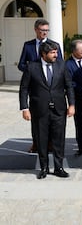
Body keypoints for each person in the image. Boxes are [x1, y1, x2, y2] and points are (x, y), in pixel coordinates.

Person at [19, 40, 75, 179]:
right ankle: (44, 168)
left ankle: (58, 167)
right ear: (43, 54)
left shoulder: (62, 65)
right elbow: (24, 88)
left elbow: (68, 86)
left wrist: (72, 105)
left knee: (59, 139)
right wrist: (25, 108)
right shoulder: (32, 67)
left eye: (56, 52)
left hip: (59, 109)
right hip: (39, 110)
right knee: (41, 140)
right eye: (53, 52)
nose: (56, 55)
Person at [18, 18, 63, 153]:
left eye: (47, 30)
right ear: (36, 30)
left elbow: (60, 64)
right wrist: (31, 71)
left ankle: (49, 143)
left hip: (51, 85)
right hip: (35, 86)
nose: (45, 33)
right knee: (37, 116)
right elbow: (21, 64)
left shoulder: (54, 45)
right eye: (42, 30)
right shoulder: (28, 45)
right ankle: (36, 143)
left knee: (51, 116)